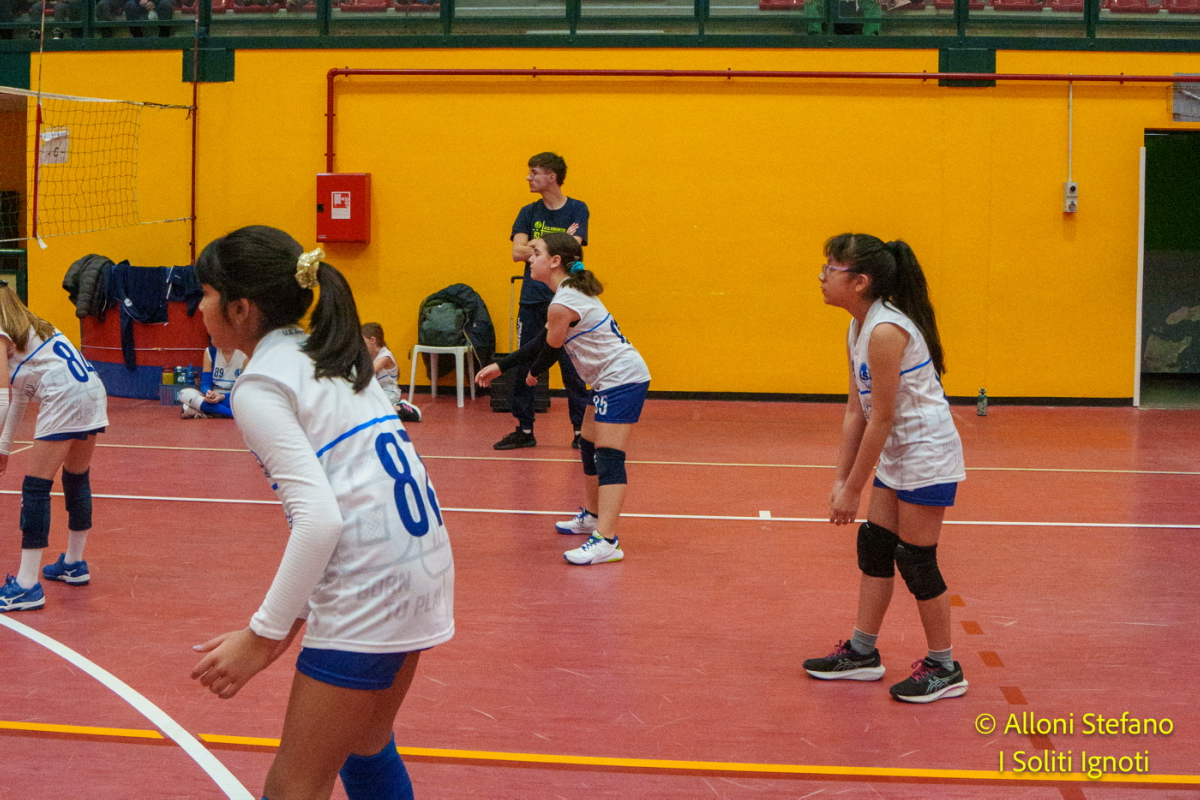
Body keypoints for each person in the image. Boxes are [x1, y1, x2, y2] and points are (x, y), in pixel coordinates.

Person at [188, 227, 454, 799]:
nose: (197, 308)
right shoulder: (325, 354)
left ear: (241, 308)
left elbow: (321, 520)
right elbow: (353, 500)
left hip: (372, 580)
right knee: (365, 745)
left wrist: (263, 637)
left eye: (205, 294)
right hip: (421, 564)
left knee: (295, 785)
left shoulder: (260, 384)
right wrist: (290, 624)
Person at [802, 233, 968, 704]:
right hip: (898, 452)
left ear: (859, 281)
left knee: (916, 560)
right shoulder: (858, 327)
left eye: (831, 268)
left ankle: (945, 667)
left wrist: (853, 490)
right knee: (875, 546)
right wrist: (840, 479)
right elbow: (856, 410)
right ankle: (862, 653)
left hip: (926, 454)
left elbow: (883, 418)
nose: (821, 276)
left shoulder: (885, 331)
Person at [476, 232, 650, 566]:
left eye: (536, 253)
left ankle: (607, 541)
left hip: (622, 378)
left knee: (609, 456)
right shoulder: (567, 293)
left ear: (555, 261)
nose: (529, 258)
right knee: (587, 444)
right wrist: (502, 366)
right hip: (607, 379)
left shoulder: (563, 301)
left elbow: (550, 349)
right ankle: (592, 517)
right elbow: (543, 340)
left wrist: (533, 372)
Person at [0, 280, 108, 612]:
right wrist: (4, 447)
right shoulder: (34, 326)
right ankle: (74, 563)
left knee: (36, 487)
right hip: (92, 391)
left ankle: (26, 586)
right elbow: (20, 396)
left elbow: (2, 399)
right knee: (76, 478)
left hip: (64, 397)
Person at [496, 151, 590, 452]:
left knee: (571, 366)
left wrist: (536, 245)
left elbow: (572, 251)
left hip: (565, 301)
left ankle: (581, 431)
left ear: (551, 177)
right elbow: (517, 253)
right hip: (532, 300)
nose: (528, 177)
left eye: (534, 172)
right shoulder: (527, 212)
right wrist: (557, 241)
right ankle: (524, 429)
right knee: (524, 362)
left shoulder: (577, 208)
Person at [361, 322, 421, 423]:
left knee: (369, 411)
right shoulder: (368, 355)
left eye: (362, 340)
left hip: (388, 392)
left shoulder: (385, 357)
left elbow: (367, 372)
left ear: (373, 340)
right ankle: (391, 409)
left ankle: (400, 408)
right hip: (375, 390)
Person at [178, 343, 247, 419]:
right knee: (183, 393)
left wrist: (223, 396)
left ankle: (202, 409)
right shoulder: (210, 351)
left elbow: (244, 388)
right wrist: (208, 392)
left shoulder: (245, 353)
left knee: (248, 399)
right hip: (213, 398)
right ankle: (232, 414)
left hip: (233, 396)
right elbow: (205, 384)